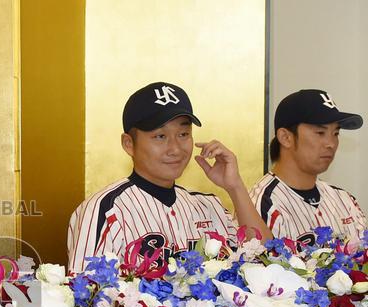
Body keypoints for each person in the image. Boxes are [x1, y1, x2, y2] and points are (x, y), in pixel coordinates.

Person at [67, 82, 272, 272]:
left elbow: (268, 262)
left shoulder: (210, 206)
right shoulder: (105, 210)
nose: (175, 149)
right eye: (160, 136)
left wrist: (234, 186)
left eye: (183, 134)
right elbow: (86, 296)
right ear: (129, 144)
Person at [249, 89, 364, 246]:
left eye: (335, 133)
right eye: (320, 132)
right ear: (285, 137)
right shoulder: (261, 204)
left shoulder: (345, 200)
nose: (331, 143)